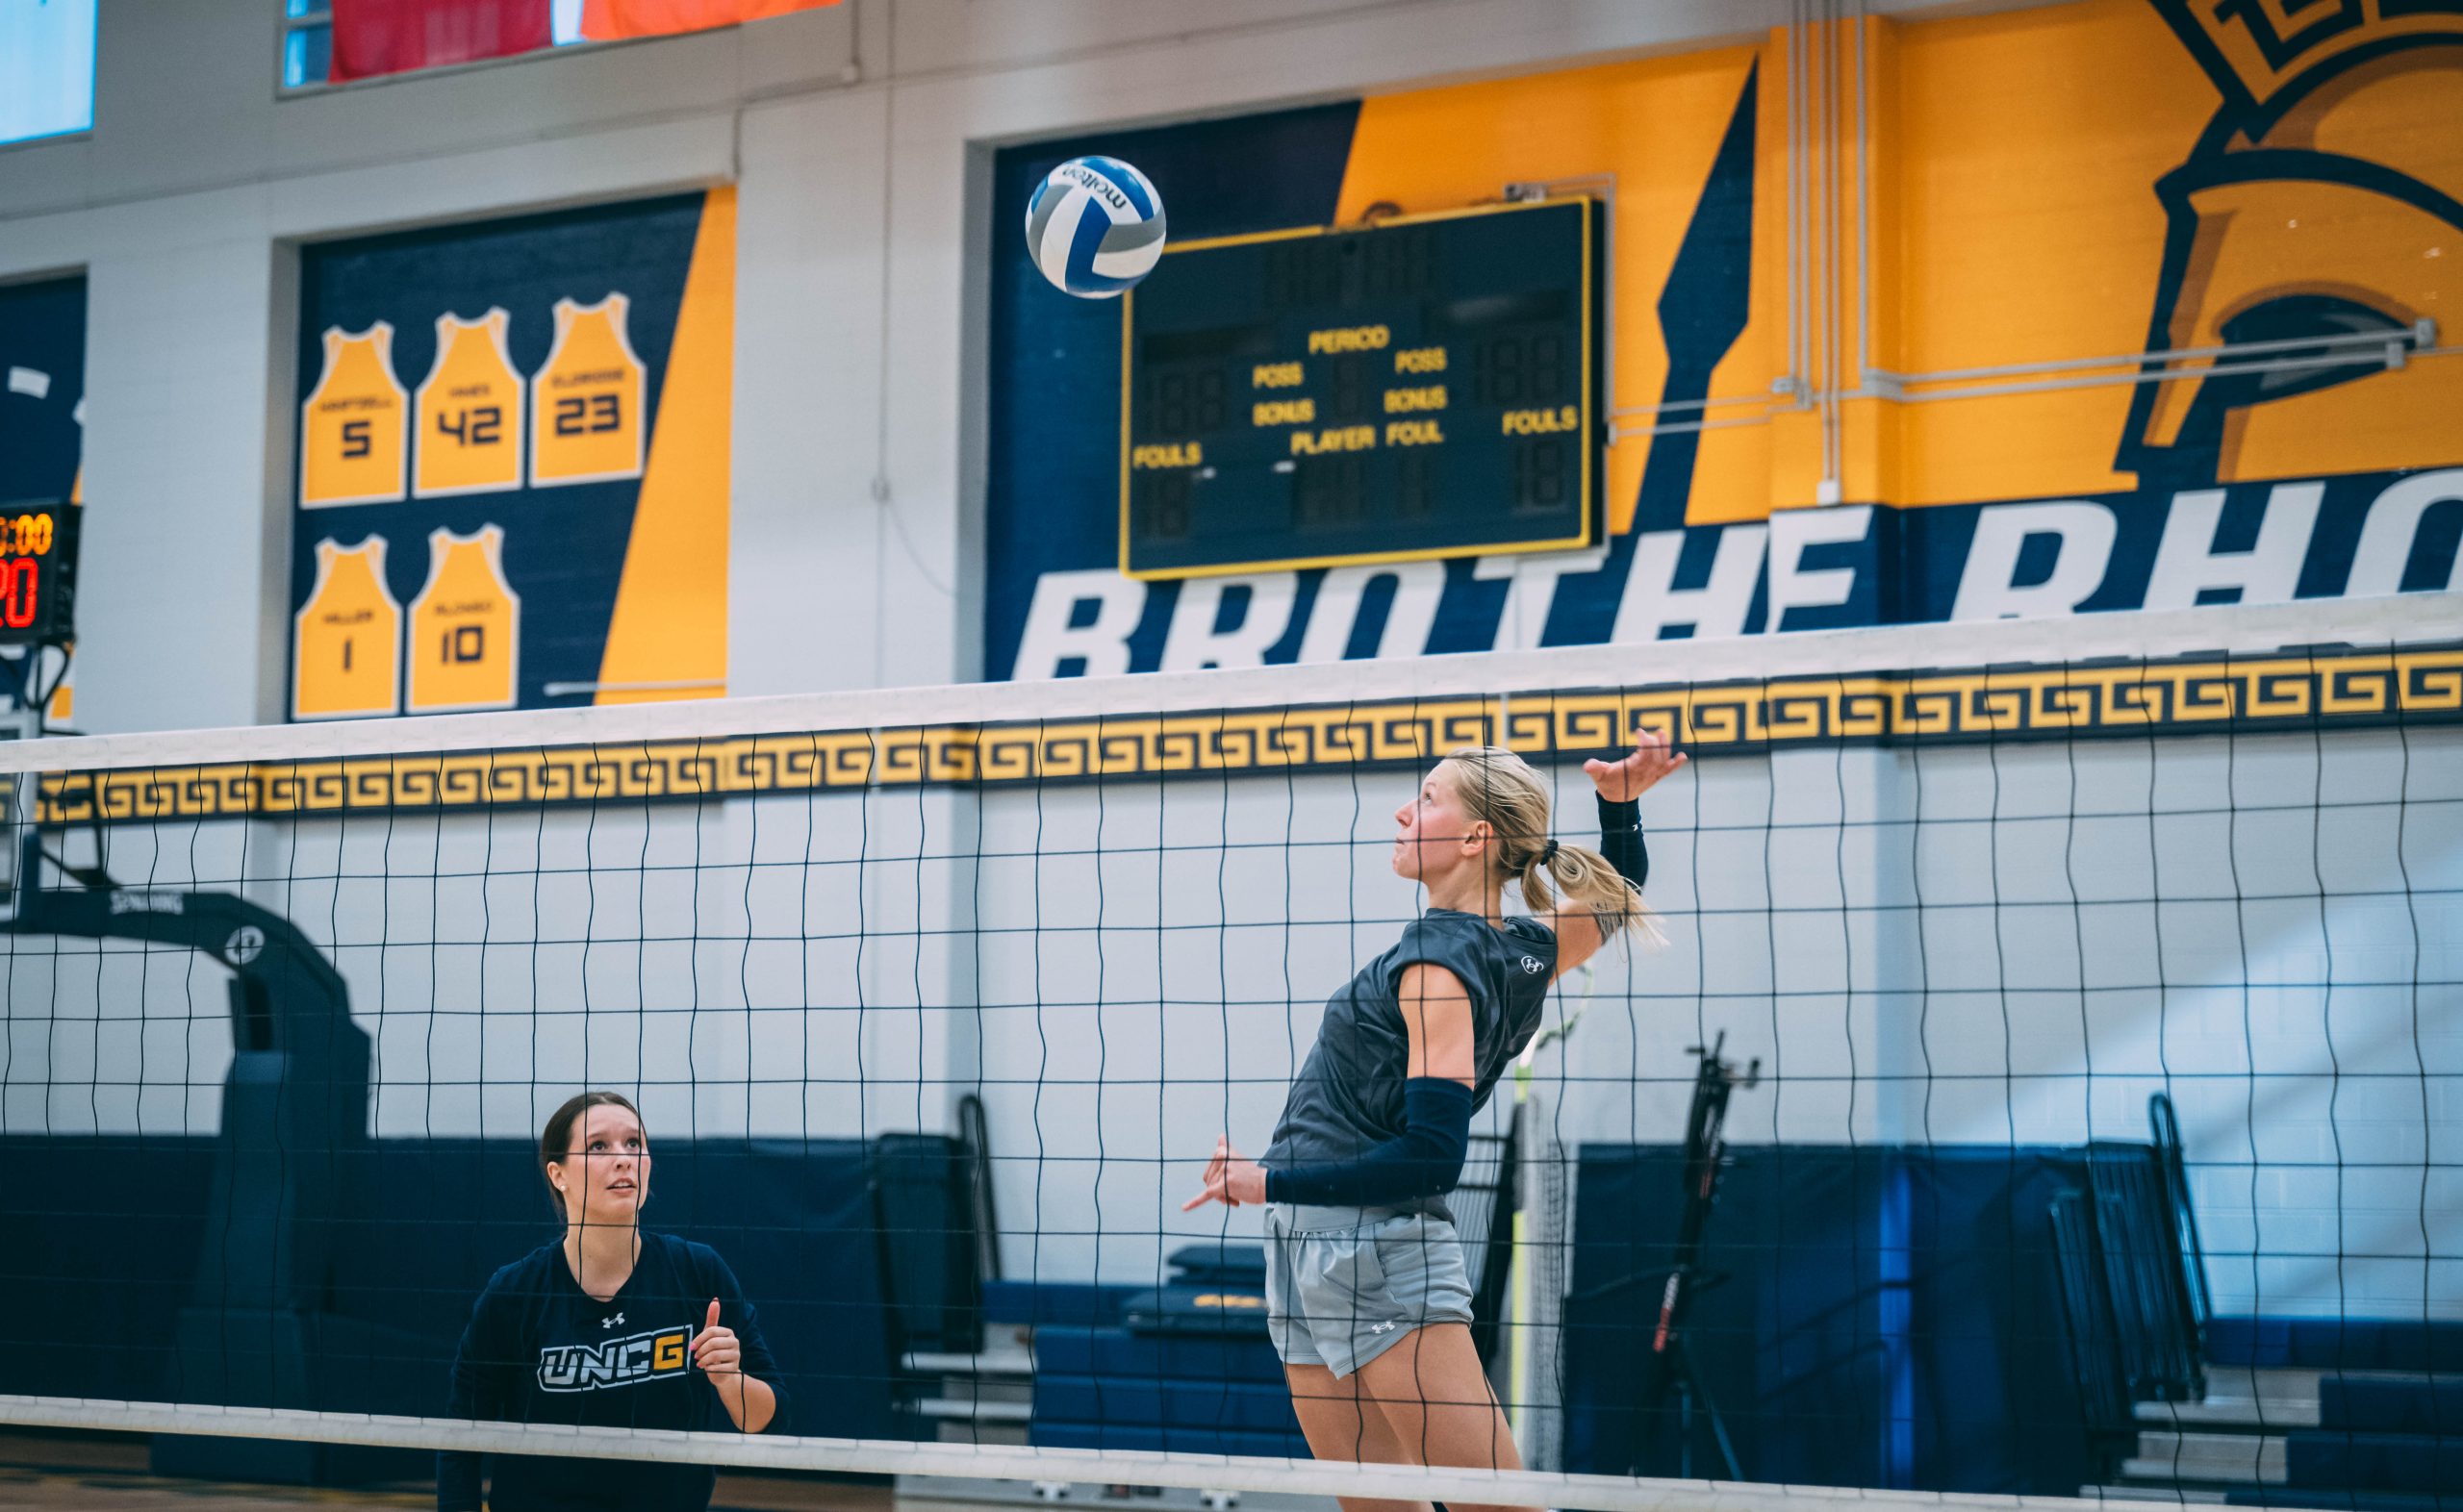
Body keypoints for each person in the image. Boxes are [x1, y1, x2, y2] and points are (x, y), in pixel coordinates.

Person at [1183, 734, 1686, 1512]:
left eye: (1426, 798)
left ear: (1476, 836)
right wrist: (1619, 805)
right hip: (1308, 1245)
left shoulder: (1437, 966)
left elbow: (1430, 1161)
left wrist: (1266, 1178)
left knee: (1494, 1506)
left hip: (1374, 1252)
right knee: (1377, 1506)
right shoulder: (1516, 950)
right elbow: (1618, 896)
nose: (1403, 811)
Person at [439, 1091, 784, 1512]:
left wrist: (730, 1380)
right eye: (598, 1146)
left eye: (634, 1143)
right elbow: (460, 1439)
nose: (623, 1158)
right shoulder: (515, 1291)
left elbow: (769, 1420)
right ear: (558, 1174)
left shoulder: (698, 1271)